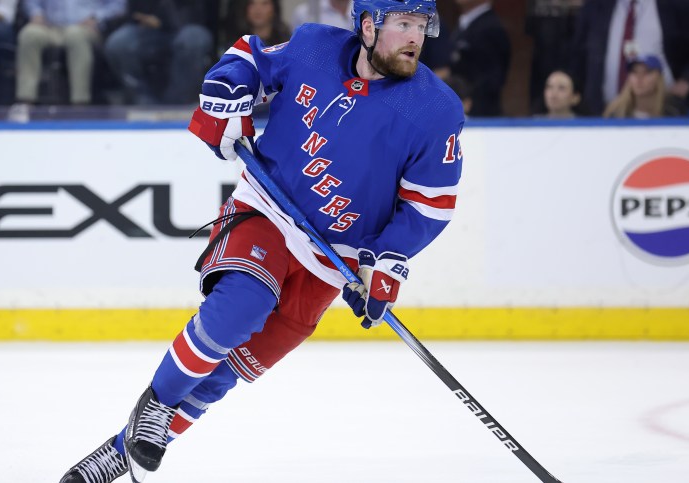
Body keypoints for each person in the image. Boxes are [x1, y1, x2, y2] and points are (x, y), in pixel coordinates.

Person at [58, 1, 464, 482]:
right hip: (268, 210)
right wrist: (227, 91)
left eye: (421, 26)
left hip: (334, 263)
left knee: (227, 374)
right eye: (403, 25)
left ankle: (121, 453)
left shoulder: (436, 111)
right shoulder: (315, 47)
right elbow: (250, 58)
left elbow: (428, 205)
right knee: (237, 312)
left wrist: (387, 259)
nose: (415, 37)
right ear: (369, 26)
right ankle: (157, 404)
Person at [570, 0, 689, 116]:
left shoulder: (677, 4)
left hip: (664, 112)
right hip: (602, 112)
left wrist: (687, 80)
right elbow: (579, 55)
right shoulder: (595, 5)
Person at [15, 0, 126, 106]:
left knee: (75, 35)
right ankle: (26, 100)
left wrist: (97, 17)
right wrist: (36, 13)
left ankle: (80, 103)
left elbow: (118, 5)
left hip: (85, 28)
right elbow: (32, 3)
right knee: (29, 34)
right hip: (50, 27)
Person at [103, 0, 177, 105]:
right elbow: (133, 13)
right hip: (145, 31)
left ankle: (180, 101)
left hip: (184, 28)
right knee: (118, 43)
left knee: (193, 39)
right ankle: (142, 97)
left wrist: (164, 21)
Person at [450, 0, 511, 116]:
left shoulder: (491, 27)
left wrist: (467, 99)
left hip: (480, 118)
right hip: (458, 112)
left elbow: (493, 80)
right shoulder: (464, 22)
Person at [603, 53, 687, 118]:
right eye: (634, 72)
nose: (639, 78)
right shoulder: (616, 113)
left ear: (659, 78)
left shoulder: (673, 111)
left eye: (647, 72)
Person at [224, 0, 292, 51]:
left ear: (274, 8)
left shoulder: (287, 43)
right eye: (252, 3)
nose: (258, 9)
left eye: (264, 3)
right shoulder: (236, 45)